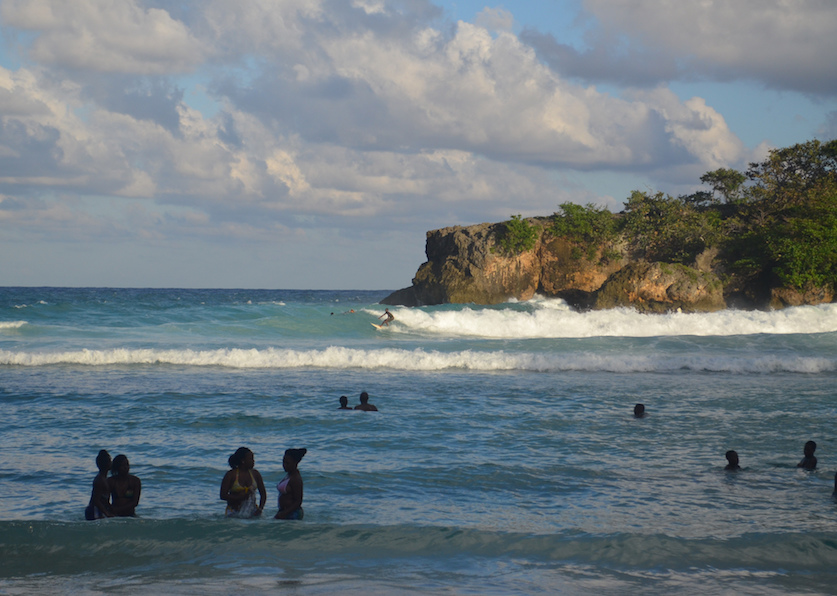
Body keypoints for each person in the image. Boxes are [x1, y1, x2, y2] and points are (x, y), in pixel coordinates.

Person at [220, 447, 267, 517]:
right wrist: (238, 497)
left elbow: (263, 494)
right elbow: (223, 495)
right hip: (233, 512)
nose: (253, 461)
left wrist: (260, 509)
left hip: (252, 511)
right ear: (243, 461)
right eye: (251, 459)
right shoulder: (231, 475)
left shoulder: (255, 474)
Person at [275, 448, 307, 520]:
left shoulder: (296, 479)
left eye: (287, 463)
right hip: (285, 511)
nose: (284, 465)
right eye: (283, 462)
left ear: (295, 463)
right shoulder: (289, 475)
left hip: (292, 513)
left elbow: (298, 501)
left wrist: (284, 513)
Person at [85, 449, 113, 520]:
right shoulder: (100, 480)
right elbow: (96, 500)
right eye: (110, 461)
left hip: (97, 509)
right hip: (95, 509)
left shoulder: (103, 478)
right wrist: (107, 513)